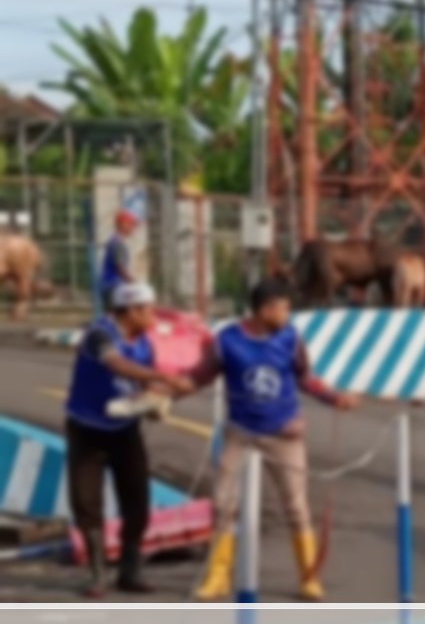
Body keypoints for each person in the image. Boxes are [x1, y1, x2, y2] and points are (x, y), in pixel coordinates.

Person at [191, 278, 360, 602]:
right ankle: (218, 577)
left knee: (296, 506)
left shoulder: (290, 339)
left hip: (283, 432)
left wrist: (334, 398)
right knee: (224, 504)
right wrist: (169, 388)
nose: (288, 314)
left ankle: (309, 578)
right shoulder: (227, 340)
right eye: (284, 307)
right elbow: (201, 375)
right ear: (265, 309)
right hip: (240, 432)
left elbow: (305, 377)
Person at [65, 282, 194, 597]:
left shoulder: (145, 343)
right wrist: (162, 377)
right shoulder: (100, 333)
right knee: (86, 502)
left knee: (137, 500)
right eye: (148, 309)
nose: (153, 316)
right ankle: (98, 574)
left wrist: (156, 400)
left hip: (124, 430)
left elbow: (140, 384)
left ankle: (130, 570)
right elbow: (116, 364)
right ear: (131, 311)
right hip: (87, 430)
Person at [100, 211, 139, 309]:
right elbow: (120, 268)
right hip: (115, 288)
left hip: (111, 287)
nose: (133, 229)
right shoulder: (118, 244)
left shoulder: (114, 241)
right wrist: (135, 283)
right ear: (123, 224)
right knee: (117, 316)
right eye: (131, 225)